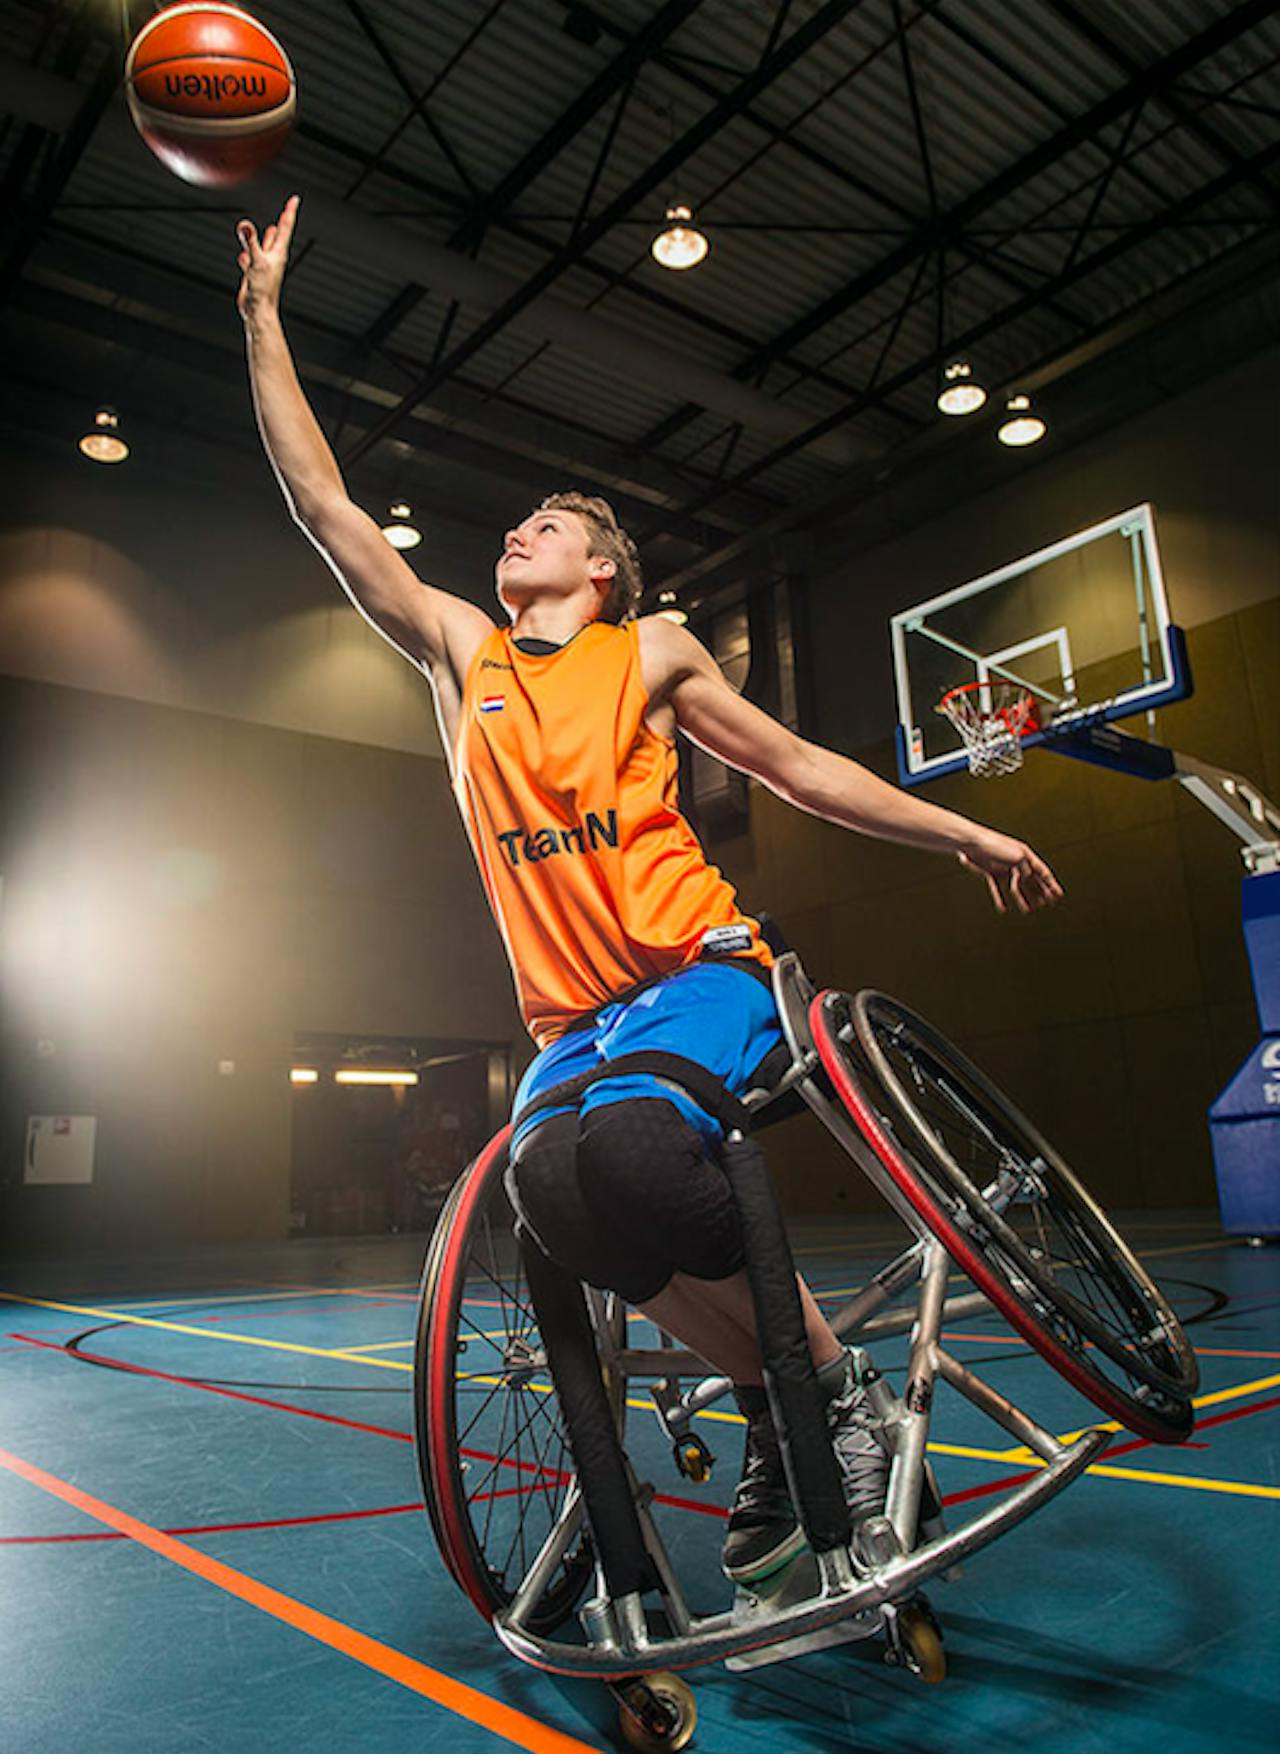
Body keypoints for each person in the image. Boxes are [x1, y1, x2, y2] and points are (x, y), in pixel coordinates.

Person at [236, 197, 1064, 1586]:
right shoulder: (461, 656)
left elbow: (799, 769)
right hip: (573, 1027)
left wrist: (959, 835)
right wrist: (262, 315)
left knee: (626, 1154)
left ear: (602, 571)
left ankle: (816, 1391)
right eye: (516, 526)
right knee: (554, 1185)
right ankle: (799, 1393)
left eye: (546, 525)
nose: (517, 534)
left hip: (704, 973)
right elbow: (325, 507)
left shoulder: (652, 650)